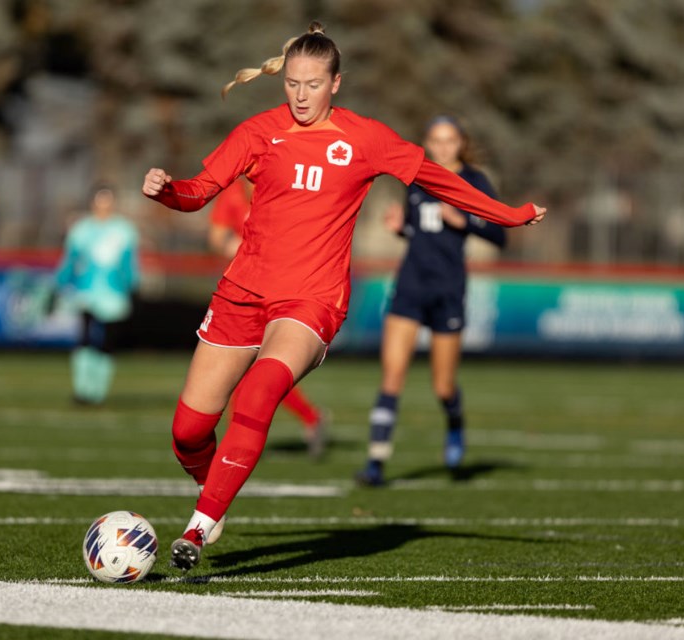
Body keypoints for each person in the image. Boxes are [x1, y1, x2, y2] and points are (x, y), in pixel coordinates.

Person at [141, 21, 545, 571]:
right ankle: (214, 483)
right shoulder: (259, 132)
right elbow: (198, 192)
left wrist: (510, 215)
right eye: (292, 84)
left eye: (313, 84)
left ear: (336, 83)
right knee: (187, 432)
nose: (301, 96)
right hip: (242, 292)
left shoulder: (366, 138)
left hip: (311, 300)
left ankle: (200, 523)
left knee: (260, 392)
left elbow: (440, 180)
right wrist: (168, 192)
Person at [355, 115, 506, 486]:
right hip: (410, 285)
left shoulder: (474, 181)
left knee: (443, 386)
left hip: (448, 290)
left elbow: (499, 236)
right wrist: (401, 227)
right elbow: (420, 229)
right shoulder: (418, 175)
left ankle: (455, 422)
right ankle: (376, 462)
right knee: (392, 376)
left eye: (449, 140)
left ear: (461, 143)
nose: (441, 147)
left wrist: (466, 221)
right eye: (435, 140)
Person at [208, 177, 329, 458]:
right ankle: (309, 417)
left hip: (279, 291)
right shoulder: (232, 196)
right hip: (241, 291)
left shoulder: (286, 188)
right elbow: (215, 238)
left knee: (262, 370)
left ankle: (236, 443)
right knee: (246, 371)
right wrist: (243, 248)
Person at [53, 183, 139, 405]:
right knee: (85, 337)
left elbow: (129, 265)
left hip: (114, 295)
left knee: (107, 341)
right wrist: (61, 283)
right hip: (86, 292)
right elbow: (70, 261)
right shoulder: (81, 229)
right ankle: (82, 389)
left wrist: (131, 286)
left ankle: (98, 391)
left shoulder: (124, 230)